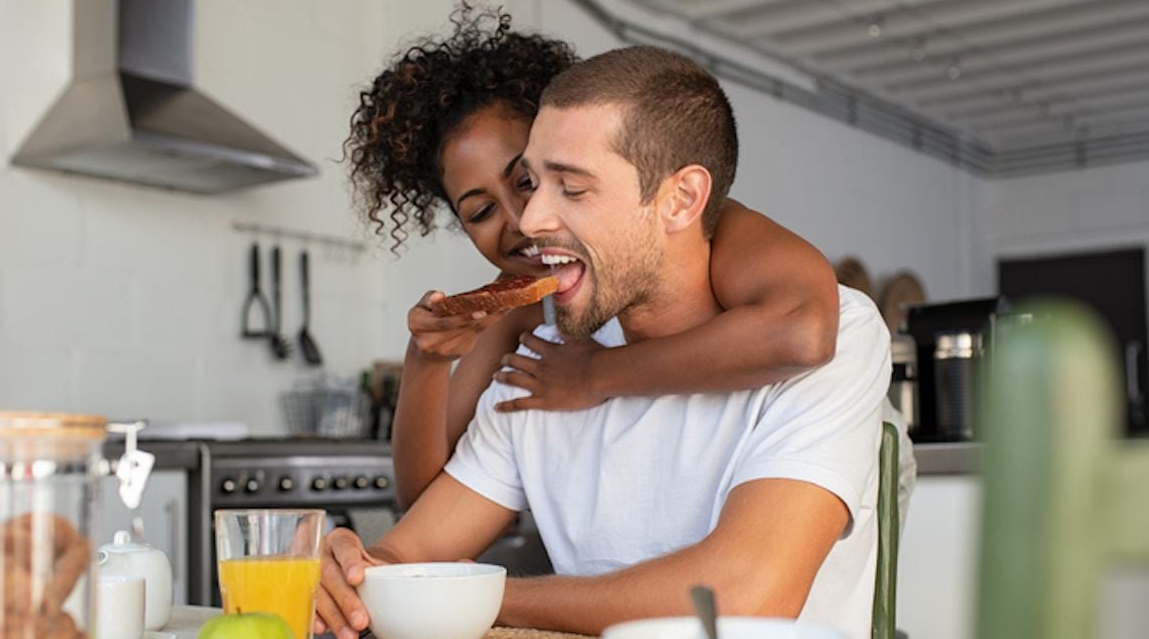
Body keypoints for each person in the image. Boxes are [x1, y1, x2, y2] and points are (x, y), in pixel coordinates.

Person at [318, 45, 891, 639]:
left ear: (681, 200)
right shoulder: (543, 361)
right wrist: (355, 573)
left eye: (570, 187)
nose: (530, 220)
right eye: (531, 184)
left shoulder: (838, 332)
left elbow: (743, 595)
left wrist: (478, 594)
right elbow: (406, 552)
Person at [345, 2, 884, 511]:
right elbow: (424, 502)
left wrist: (595, 376)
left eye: (530, 180)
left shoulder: (706, 226)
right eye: (481, 211)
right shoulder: (518, 312)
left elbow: (801, 332)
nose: (522, 220)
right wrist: (428, 358)